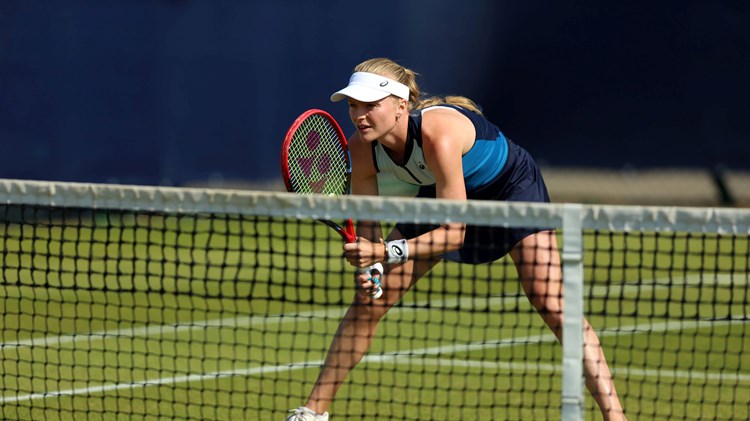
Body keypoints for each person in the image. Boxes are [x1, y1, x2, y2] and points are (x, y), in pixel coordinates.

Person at [284, 58, 626, 421]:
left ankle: (614, 417)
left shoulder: (439, 135)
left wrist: (384, 252)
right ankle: (312, 413)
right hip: (442, 194)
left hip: (510, 191)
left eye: (371, 105)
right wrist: (375, 270)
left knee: (555, 306)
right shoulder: (361, 149)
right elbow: (370, 224)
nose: (360, 115)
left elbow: (453, 234)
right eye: (354, 105)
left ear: (402, 105)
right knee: (368, 305)